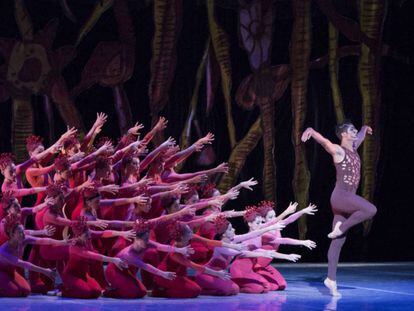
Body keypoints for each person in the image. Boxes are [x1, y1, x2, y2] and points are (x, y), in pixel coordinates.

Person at [301, 121, 377, 297]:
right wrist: (312, 130)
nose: (355, 132)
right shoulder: (338, 150)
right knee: (370, 210)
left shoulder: (354, 148)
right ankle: (340, 228)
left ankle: (331, 279)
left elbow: (360, 137)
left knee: (338, 242)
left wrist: (365, 128)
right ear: (344, 134)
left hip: (347, 200)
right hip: (341, 197)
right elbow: (325, 142)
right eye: (352, 130)